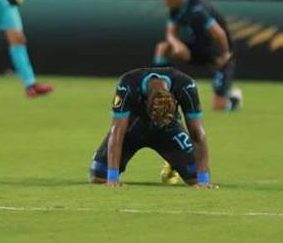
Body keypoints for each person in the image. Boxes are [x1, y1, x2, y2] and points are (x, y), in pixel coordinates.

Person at [88, 66, 216, 189]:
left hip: (170, 129)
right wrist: (112, 178)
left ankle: (173, 162)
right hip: (133, 127)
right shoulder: (128, 84)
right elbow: (117, 131)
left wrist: (204, 180)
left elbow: (197, 133)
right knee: (98, 176)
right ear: (147, 103)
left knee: (195, 178)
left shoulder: (186, 86)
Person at [154, 0, 239, 112]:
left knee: (219, 106)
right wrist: (178, 45)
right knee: (163, 48)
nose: (164, 2)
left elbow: (219, 33)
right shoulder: (175, 9)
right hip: (196, 48)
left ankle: (234, 99)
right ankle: (161, 91)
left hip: (217, 50)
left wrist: (225, 54)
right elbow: (170, 34)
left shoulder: (197, 7)